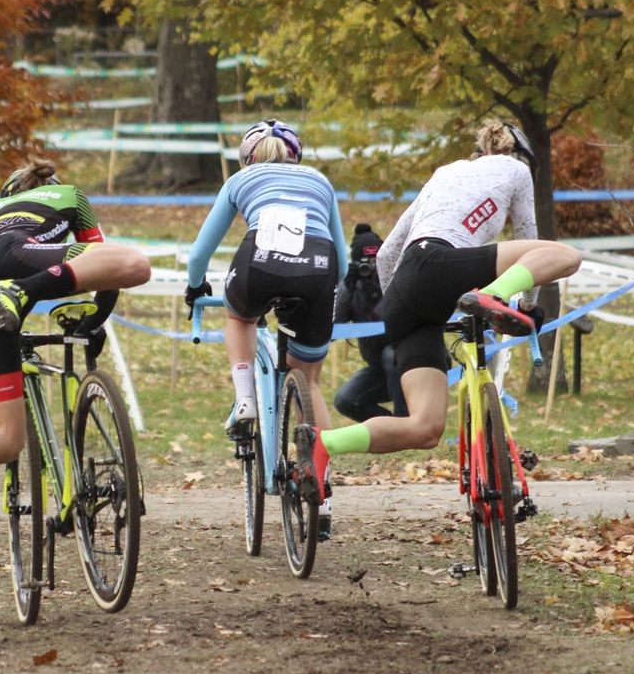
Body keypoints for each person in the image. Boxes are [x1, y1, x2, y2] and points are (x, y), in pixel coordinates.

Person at [294, 120, 581, 496]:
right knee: (566, 255)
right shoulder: (517, 168)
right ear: (519, 153)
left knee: (424, 428)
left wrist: (406, 300)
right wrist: (526, 306)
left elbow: (387, 254)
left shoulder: (445, 172)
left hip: (404, 293)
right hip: (440, 265)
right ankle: (492, 296)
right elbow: (530, 239)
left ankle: (322, 443)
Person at [0, 160, 152, 539]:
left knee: (6, 438)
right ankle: (21, 291)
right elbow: (103, 269)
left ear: (6, 194)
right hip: (27, 259)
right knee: (136, 264)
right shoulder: (70, 195)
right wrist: (93, 323)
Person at [183, 119, 347, 431]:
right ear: (295, 155)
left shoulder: (241, 179)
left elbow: (199, 254)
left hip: (258, 261)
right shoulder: (319, 180)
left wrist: (195, 287)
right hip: (319, 268)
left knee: (240, 318)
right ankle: (319, 471)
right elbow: (344, 260)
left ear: (248, 158)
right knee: (310, 386)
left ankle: (245, 398)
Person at [333, 223, 407, 422]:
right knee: (345, 400)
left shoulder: (399, 276)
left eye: (377, 259)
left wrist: (377, 292)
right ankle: (392, 428)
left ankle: (405, 423)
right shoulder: (353, 286)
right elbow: (335, 326)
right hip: (380, 369)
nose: (373, 267)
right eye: (367, 262)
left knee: (390, 354)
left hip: (412, 363)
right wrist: (347, 287)